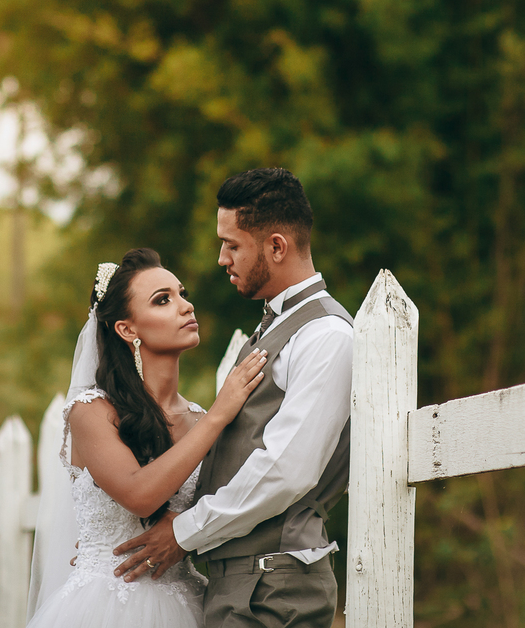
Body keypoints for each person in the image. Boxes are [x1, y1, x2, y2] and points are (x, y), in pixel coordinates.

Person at [113, 168, 354, 628]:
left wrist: (183, 534)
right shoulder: (273, 327)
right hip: (244, 585)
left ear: (277, 246)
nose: (222, 258)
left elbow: (287, 469)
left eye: (233, 245)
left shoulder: (326, 336)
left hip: (275, 587)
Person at [26, 248, 268, 628]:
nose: (186, 306)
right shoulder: (92, 411)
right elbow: (140, 497)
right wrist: (221, 413)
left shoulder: (200, 420)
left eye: (182, 293)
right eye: (163, 300)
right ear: (127, 329)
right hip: (107, 605)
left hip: (190, 602)